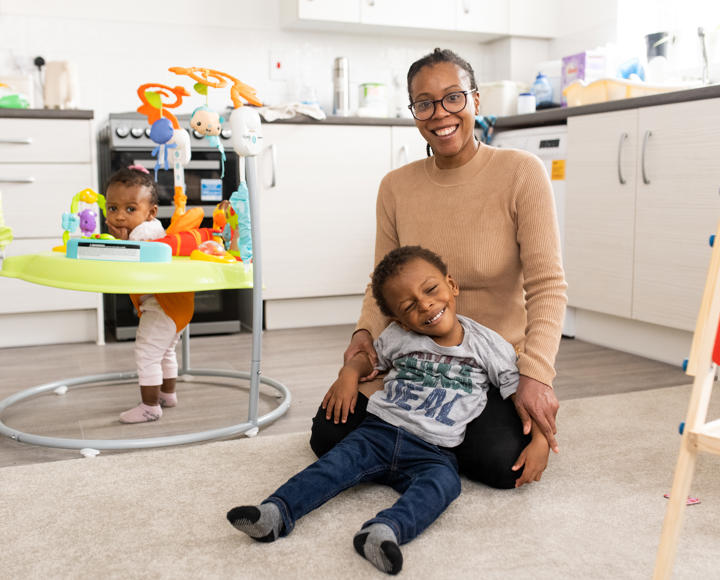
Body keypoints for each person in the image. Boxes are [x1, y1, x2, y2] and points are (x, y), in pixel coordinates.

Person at [310, 48, 567, 483]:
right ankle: (427, 449)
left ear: (476, 102)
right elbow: (381, 283)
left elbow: (548, 286)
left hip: (492, 366)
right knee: (328, 434)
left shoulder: (522, 172)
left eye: (453, 97)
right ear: (413, 112)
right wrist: (361, 343)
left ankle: (410, 446)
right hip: (417, 360)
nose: (440, 114)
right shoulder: (395, 187)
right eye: (424, 103)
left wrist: (537, 375)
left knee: (503, 464)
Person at [227, 246, 549, 575]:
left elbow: (520, 395)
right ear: (398, 319)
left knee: (444, 485)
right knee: (332, 466)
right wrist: (349, 373)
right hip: (379, 431)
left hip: (435, 449)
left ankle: (383, 532)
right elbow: (369, 358)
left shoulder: (488, 344)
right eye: (409, 306)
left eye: (431, 289)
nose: (425, 304)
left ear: (451, 285)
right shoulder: (398, 336)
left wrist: (540, 440)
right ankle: (274, 513)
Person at [104, 165, 194, 423]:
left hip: (162, 306)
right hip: (176, 305)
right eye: (113, 208)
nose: (120, 216)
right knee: (164, 351)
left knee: (146, 352)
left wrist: (120, 243)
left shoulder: (143, 234)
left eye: (130, 209)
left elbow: (131, 262)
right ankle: (167, 394)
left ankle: (149, 407)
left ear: (150, 213)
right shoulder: (148, 228)